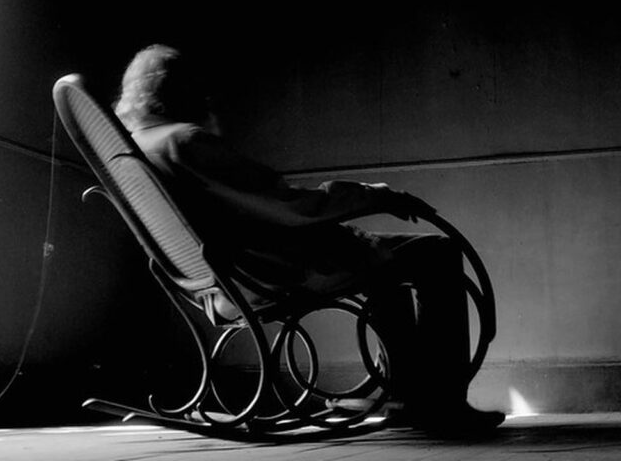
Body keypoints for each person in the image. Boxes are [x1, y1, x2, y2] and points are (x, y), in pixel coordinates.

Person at [114, 44, 503, 434]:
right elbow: (292, 206)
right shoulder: (184, 141)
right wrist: (379, 196)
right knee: (437, 252)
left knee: (389, 268)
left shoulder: (136, 148)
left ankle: (406, 394)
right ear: (182, 88)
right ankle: (443, 403)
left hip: (218, 287)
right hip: (271, 271)